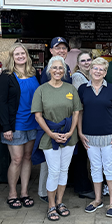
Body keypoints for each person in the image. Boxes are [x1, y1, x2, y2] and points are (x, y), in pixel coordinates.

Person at [31, 56, 82, 221]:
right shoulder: (41, 90)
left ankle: (60, 202)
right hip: (49, 135)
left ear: (66, 71)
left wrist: (70, 132)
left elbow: (76, 112)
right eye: (55, 68)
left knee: (63, 170)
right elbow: (38, 116)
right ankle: (51, 205)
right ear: (49, 71)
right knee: (53, 171)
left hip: (68, 135)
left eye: (61, 68)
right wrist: (52, 134)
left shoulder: (71, 89)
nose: (58, 71)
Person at [77, 57, 112, 217]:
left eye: (101, 69)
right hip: (90, 137)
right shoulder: (83, 89)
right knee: (95, 168)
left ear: (105, 72)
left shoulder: (111, 89)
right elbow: (80, 112)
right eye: (95, 68)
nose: (97, 71)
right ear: (90, 70)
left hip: (109, 136)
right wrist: (80, 132)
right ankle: (97, 199)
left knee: (110, 168)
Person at [0, 43, 40, 210]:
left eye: (23, 53)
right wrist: (6, 127)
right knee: (16, 159)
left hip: (33, 122)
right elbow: (2, 102)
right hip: (15, 124)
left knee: (28, 157)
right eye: (17, 54)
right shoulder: (6, 76)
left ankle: (24, 192)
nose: (20, 56)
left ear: (27, 55)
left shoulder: (34, 73)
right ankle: (12, 193)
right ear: (12, 56)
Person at [38, 36, 72, 203]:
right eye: (57, 48)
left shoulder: (67, 68)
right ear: (50, 51)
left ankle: (56, 198)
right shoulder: (48, 70)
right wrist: (51, 131)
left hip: (65, 129)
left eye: (64, 48)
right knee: (51, 166)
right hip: (51, 127)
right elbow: (45, 105)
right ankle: (45, 194)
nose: (61, 50)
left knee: (59, 168)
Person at [70, 51, 95, 199]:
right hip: (81, 119)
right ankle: (82, 187)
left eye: (88, 60)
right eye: (83, 61)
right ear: (78, 64)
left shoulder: (89, 76)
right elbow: (84, 100)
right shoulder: (77, 77)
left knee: (82, 154)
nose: (86, 62)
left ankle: (78, 183)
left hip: (87, 119)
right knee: (80, 155)